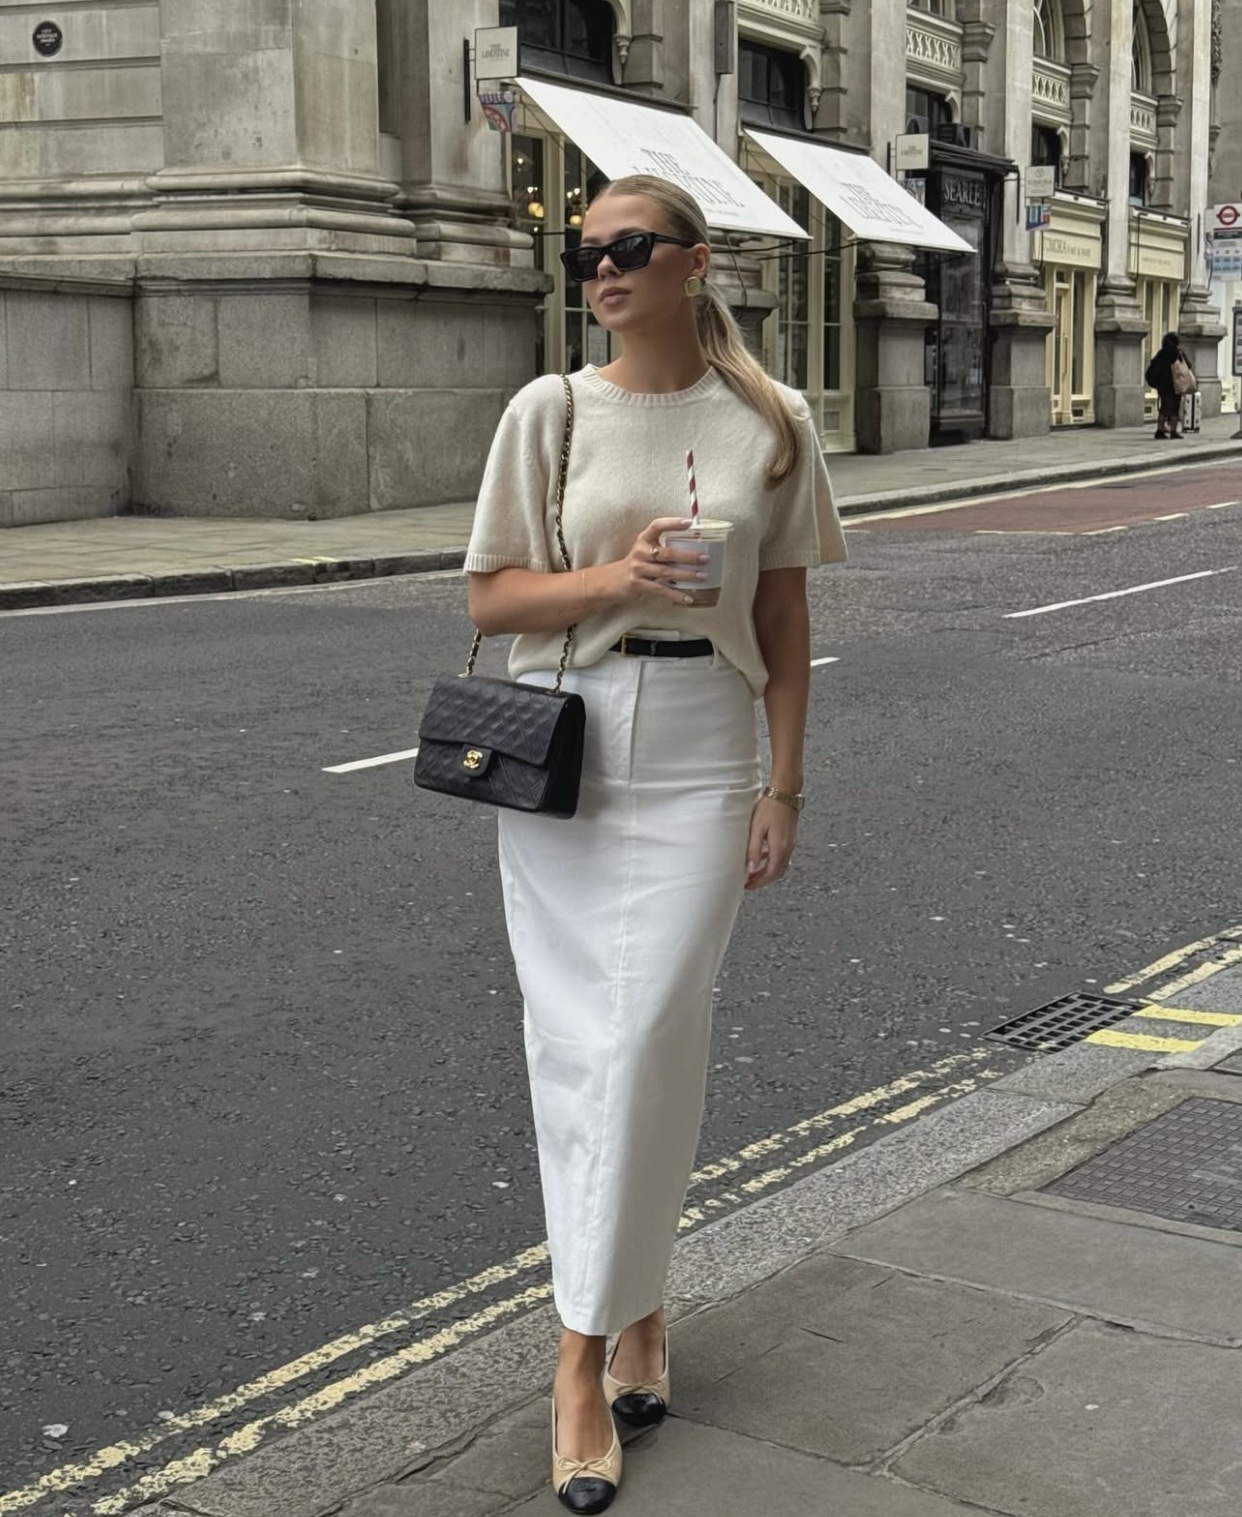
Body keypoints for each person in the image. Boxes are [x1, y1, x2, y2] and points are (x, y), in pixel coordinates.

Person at [463, 174, 847, 1513]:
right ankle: (614, 1331)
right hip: (568, 738)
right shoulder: (549, 409)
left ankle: (589, 1332)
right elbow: (493, 592)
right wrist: (619, 578)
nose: (603, 270)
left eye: (629, 248)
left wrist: (782, 785)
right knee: (580, 1043)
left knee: (647, 1039)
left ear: (692, 262)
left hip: (700, 742)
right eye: (586, 253)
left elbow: (786, 618)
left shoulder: (772, 421)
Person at [1145, 330, 1190, 439]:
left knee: (1164, 408)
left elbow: (1153, 365)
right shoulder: (1178, 353)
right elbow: (1188, 365)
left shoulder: (1161, 353)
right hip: (1175, 385)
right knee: (1174, 408)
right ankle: (1173, 431)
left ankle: (1160, 430)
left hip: (1162, 386)